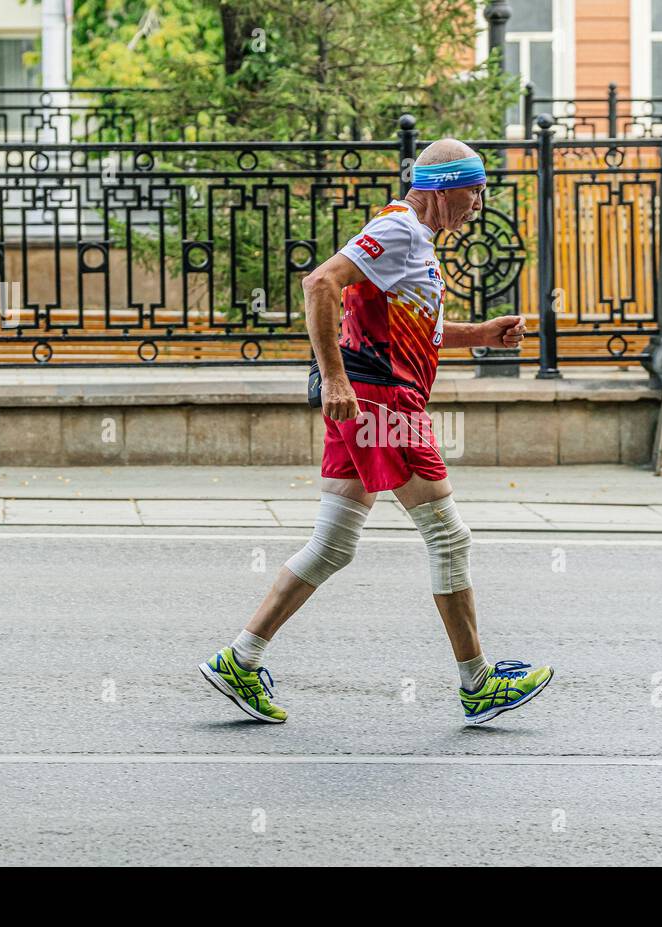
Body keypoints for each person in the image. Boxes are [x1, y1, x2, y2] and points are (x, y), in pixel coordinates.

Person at [199, 138, 553, 725]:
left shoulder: (416, 240)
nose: (478, 204)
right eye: (475, 191)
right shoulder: (400, 228)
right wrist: (335, 380)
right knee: (449, 538)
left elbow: (416, 326)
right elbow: (320, 284)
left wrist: (483, 335)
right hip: (382, 403)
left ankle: (240, 658)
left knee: (333, 545)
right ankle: (478, 682)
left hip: (370, 401)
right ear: (447, 188)